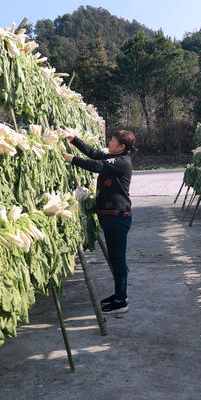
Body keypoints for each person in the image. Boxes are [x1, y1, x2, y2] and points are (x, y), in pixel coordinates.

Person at [62, 129, 136, 314]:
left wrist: (73, 159)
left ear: (122, 146)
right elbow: (95, 154)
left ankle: (121, 302)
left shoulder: (121, 162)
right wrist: (75, 140)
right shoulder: (114, 158)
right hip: (111, 217)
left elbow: (96, 165)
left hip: (117, 217)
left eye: (112, 141)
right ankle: (120, 295)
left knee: (118, 260)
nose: (109, 143)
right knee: (115, 258)